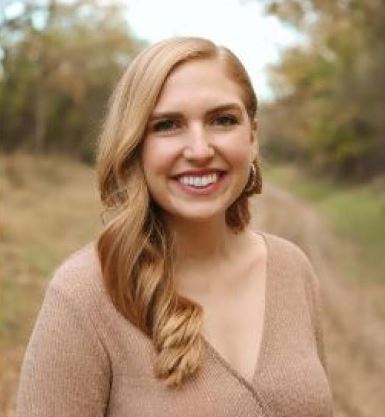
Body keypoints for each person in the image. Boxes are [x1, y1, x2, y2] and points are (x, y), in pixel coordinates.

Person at [16, 37, 333, 416]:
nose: (199, 150)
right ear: (135, 144)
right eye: (167, 125)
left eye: (223, 120)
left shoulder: (291, 268)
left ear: (252, 137)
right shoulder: (83, 297)